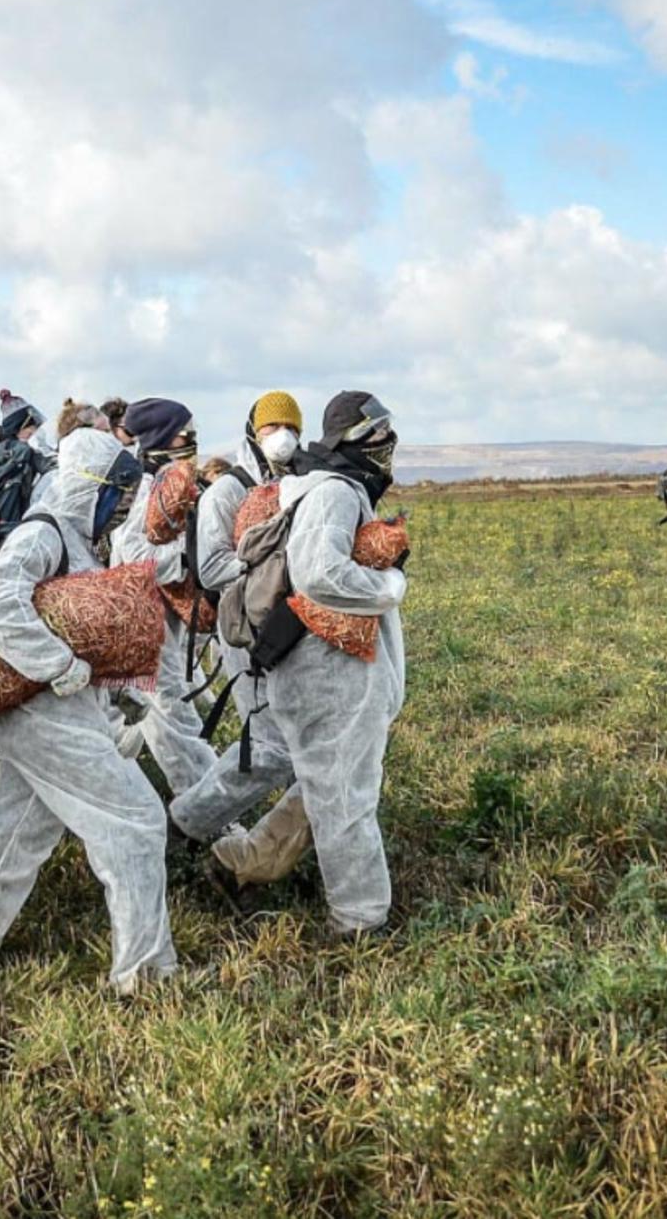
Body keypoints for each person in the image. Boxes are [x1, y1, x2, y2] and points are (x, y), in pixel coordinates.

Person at [0, 427, 176, 993]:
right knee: (136, 820)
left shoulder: (77, 541)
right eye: (116, 495)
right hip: (43, 710)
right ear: (89, 489)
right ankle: (145, 977)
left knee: (16, 832)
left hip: (53, 709)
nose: (120, 511)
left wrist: (113, 685)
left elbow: (80, 626)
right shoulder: (44, 533)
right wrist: (57, 664)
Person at [263, 392, 407, 936]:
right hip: (332, 671)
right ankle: (359, 922)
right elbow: (320, 572)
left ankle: (246, 861)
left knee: (329, 787)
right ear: (357, 439)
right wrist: (389, 586)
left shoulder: (327, 484)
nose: (388, 443)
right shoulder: (336, 492)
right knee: (345, 797)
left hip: (326, 667)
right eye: (380, 433)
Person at [168, 392, 309, 883]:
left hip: (291, 629)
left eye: (290, 426)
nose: (282, 436)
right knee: (272, 746)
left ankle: (264, 848)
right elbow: (209, 568)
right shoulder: (227, 492)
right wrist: (271, 575)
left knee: (293, 744)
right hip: (242, 630)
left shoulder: (298, 483)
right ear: (253, 431)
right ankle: (187, 820)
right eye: (272, 427)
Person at [107, 398, 216, 795]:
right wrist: (187, 557)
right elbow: (135, 555)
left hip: (155, 610)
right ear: (161, 437)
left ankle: (109, 782)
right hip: (142, 611)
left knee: (134, 714)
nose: (192, 438)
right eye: (184, 431)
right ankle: (206, 807)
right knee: (170, 710)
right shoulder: (143, 488)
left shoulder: (167, 483)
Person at [0, 389, 50, 528]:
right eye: (31, 431)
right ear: (20, 428)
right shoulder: (21, 452)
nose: (35, 434)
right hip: (10, 528)